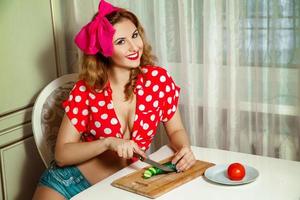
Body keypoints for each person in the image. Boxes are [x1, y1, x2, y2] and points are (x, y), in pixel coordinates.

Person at [33, 0, 196, 199]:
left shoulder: (158, 81)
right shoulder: (86, 90)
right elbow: (62, 155)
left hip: (125, 184)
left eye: (135, 35)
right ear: (104, 51)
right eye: (121, 41)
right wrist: (108, 143)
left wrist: (184, 148)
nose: (134, 46)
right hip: (68, 183)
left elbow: (176, 130)